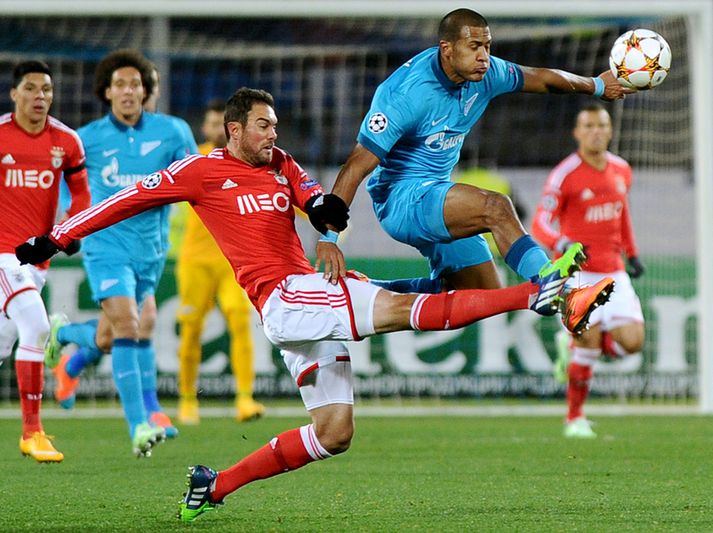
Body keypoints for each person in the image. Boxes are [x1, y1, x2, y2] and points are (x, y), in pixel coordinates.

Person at [16, 87, 613, 520]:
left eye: (275, 126)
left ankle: (214, 485)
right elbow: (127, 200)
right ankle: (543, 292)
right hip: (284, 298)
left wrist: (323, 210)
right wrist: (60, 237)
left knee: (334, 431)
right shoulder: (199, 171)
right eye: (264, 126)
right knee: (397, 312)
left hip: (306, 299)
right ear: (234, 129)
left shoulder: (279, 164)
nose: (274, 134)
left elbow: (310, 194)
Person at [313, 8, 632, 297]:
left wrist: (596, 86)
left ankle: (363, 290)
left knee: (483, 292)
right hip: (401, 199)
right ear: (447, 49)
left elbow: (542, 78)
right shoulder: (405, 95)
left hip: (438, 193)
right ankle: (550, 280)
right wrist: (329, 239)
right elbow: (356, 165)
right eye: (474, 47)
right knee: (496, 205)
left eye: (488, 46)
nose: (484, 56)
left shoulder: (487, 73)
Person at [44, 49, 193, 457]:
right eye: (120, 84)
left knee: (119, 332)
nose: (128, 90)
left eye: (135, 84)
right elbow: (65, 186)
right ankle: (142, 423)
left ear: (146, 91)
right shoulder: (87, 139)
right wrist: (64, 224)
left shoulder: (173, 132)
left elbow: (195, 179)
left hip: (150, 249)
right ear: (107, 91)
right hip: (104, 245)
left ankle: (67, 343)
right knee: (132, 324)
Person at [531, 104, 645, 438]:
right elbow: (540, 222)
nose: (596, 131)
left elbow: (621, 213)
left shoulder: (622, 170)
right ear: (577, 133)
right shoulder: (564, 174)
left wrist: (632, 252)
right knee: (588, 338)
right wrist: (561, 241)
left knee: (632, 343)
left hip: (613, 271)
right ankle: (574, 418)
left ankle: (573, 349)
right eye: (589, 125)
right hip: (575, 275)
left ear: (610, 130)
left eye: (602, 125)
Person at [0, 60, 91, 462]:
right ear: (14, 93)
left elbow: (83, 198)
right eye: (32, 89)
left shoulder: (66, 141)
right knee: (36, 328)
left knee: (5, 345)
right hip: (4, 257)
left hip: (36, 264)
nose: (41, 97)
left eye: (47, 90)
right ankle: (32, 432)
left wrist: (67, 230)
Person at [172, 99, 265, 424]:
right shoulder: (192, 161)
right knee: (191, 330)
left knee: (240, 323)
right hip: (194, 262)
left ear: (232, 129)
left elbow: (274, 189)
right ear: (204, 128)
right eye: (211, 124)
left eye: (220, 125)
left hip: (231, 263)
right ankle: (187, 400)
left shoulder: (246, 162)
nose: (216, 130)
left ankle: (245, 399)